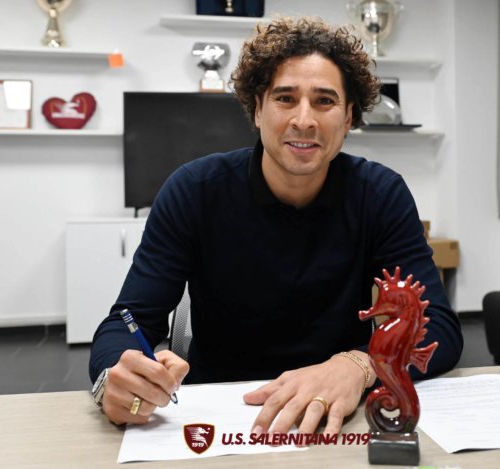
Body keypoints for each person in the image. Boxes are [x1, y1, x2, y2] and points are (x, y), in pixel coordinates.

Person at [89, 16, 463, 435]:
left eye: (324, 101)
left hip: (339, 415)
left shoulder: (380, 195)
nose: (304, 119)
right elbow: (127, 321)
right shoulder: (194, 190)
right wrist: (114, 378)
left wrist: (360, 364)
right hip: (221, 415)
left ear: (348, 117)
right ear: (257, 109)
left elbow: (437, 328)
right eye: (285, 98)